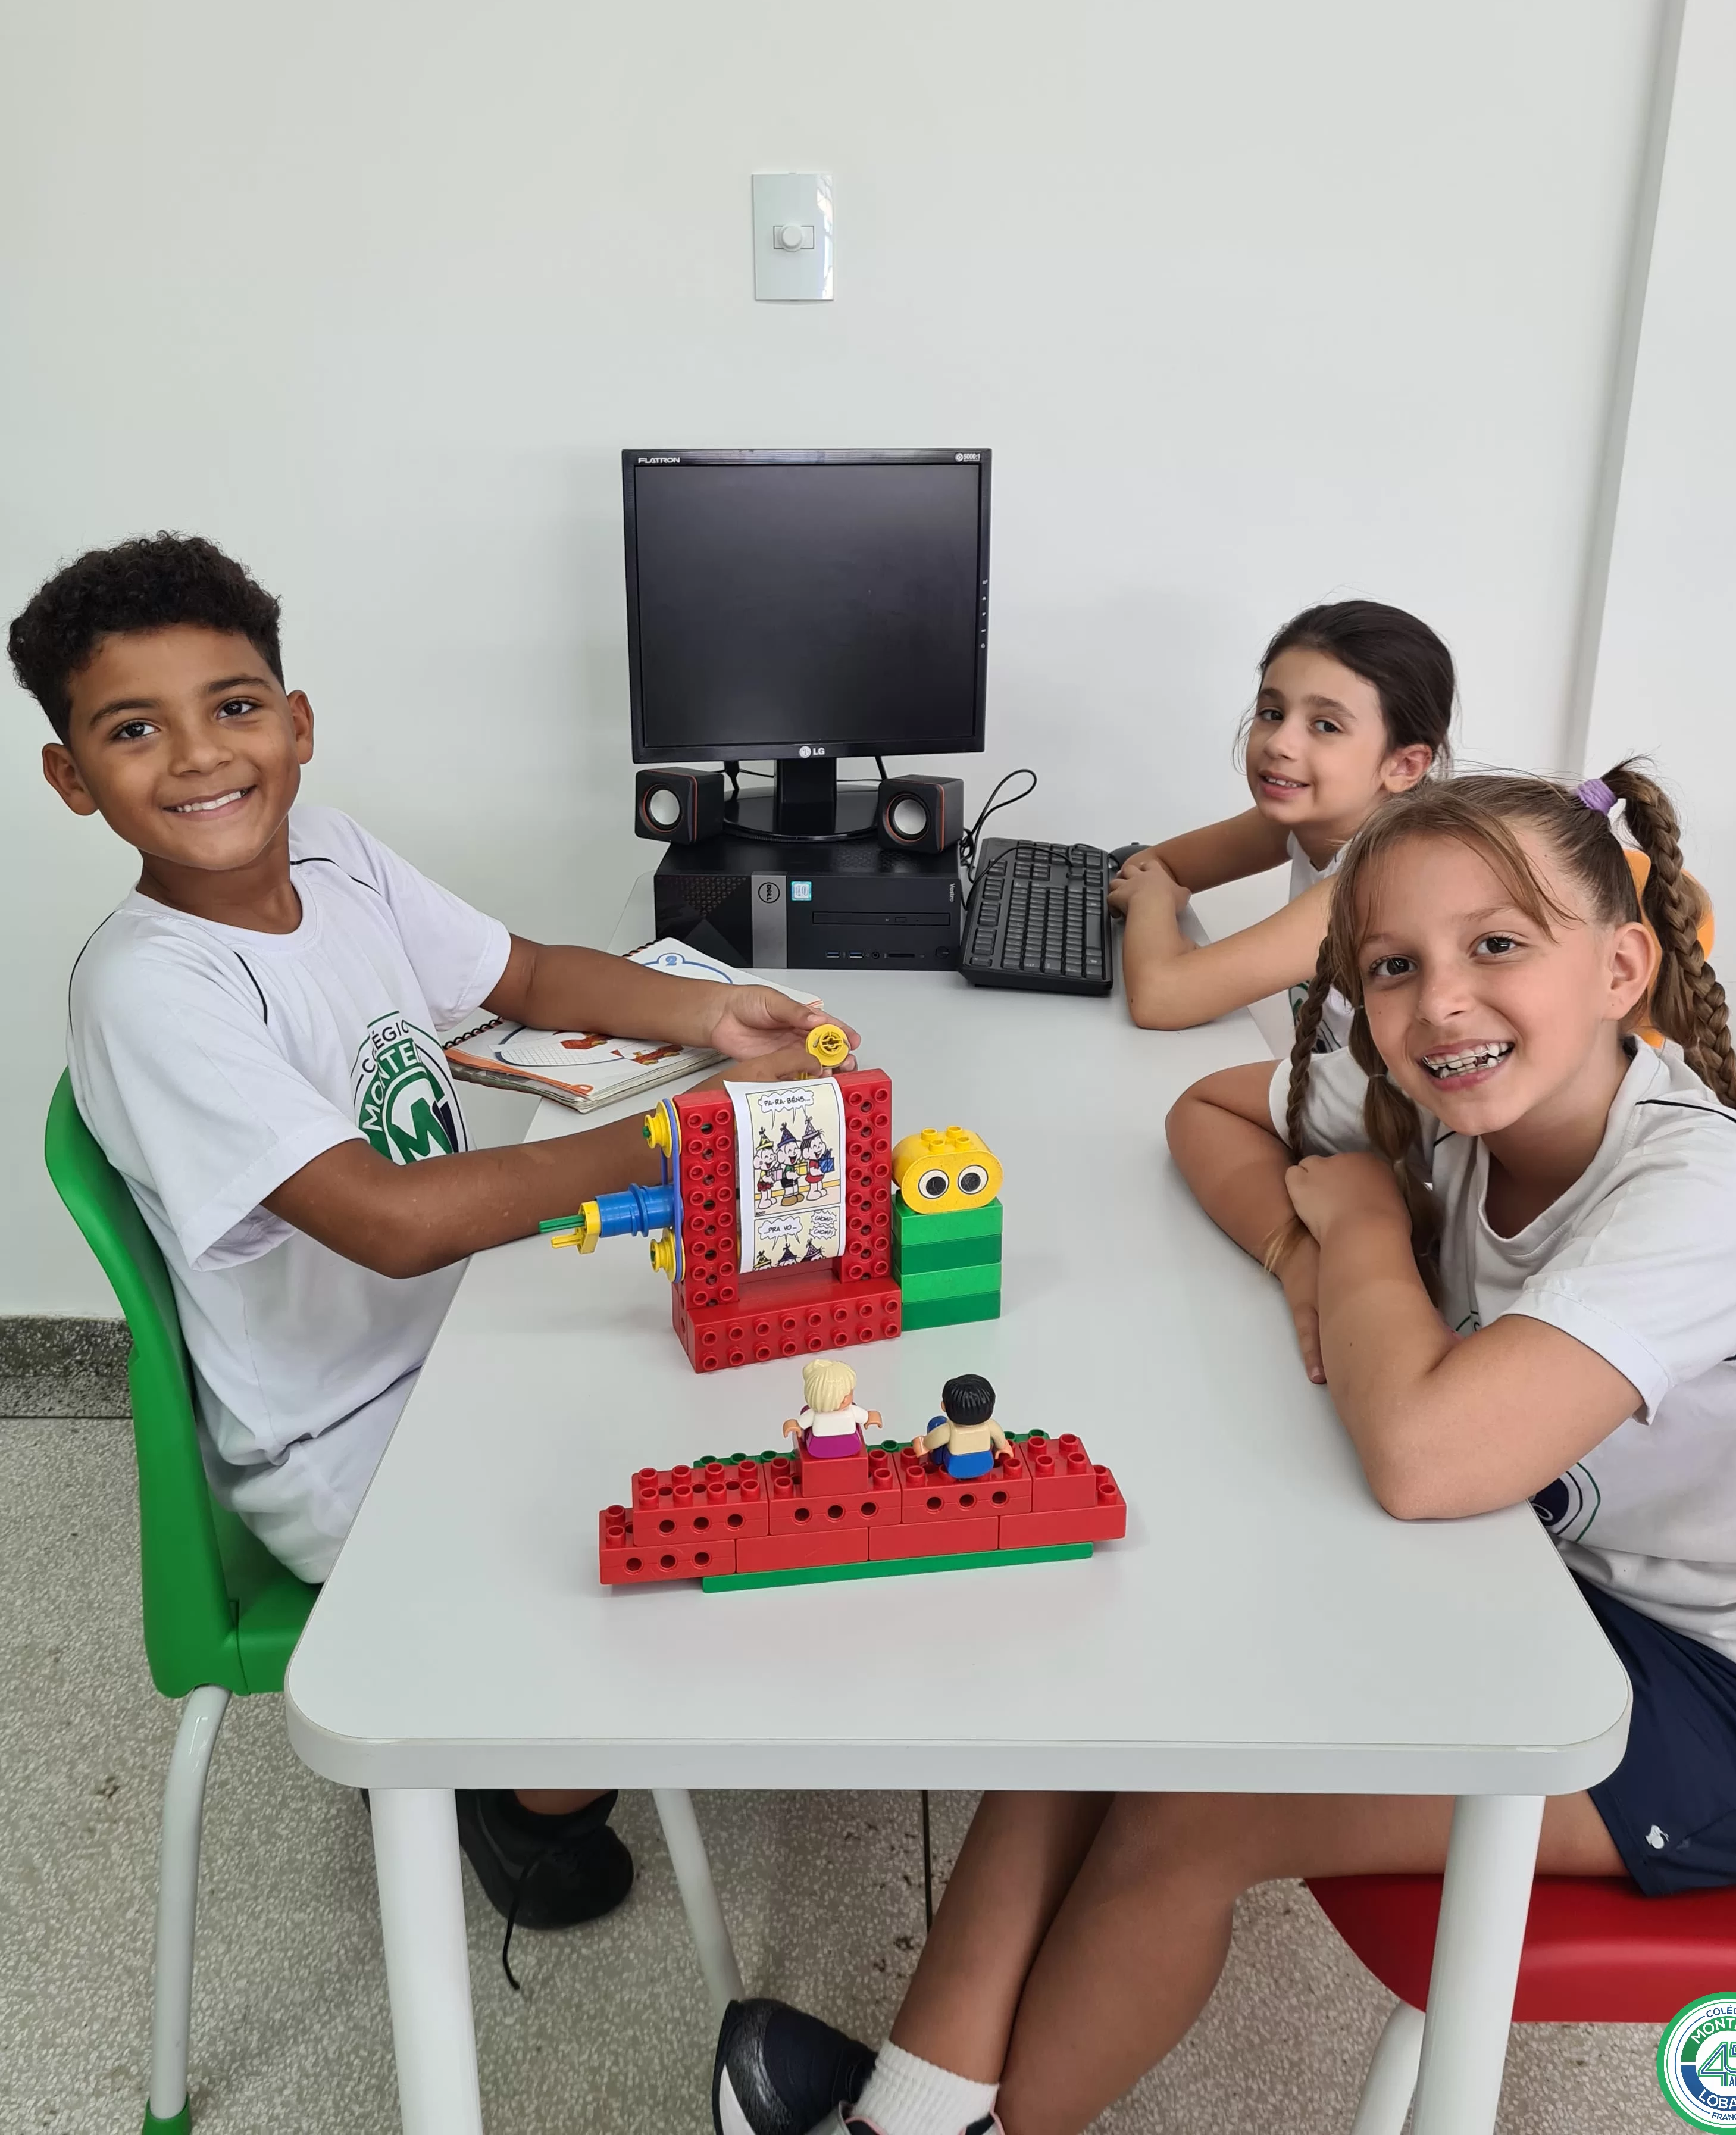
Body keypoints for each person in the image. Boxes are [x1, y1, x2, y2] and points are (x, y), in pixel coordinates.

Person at [711, 763, 1736, 2135]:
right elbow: (1206, 1113)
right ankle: (915, 2110)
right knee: (1119, 1663)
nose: (1441, 1002)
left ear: (1622, 968)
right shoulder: (1447, 1092)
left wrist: (1362, 1235)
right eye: (1395, 966)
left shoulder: (1704, 1191)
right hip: (1540, 1584)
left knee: (1198, 1807)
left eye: (1498, 946)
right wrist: (1298, 1244)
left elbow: (1427, 1460)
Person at [8, 532, 859, 1943]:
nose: (201, 756)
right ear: (70, 777)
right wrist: (684, 1133)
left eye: (233, 706)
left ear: (297, 722)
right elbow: (391, 1224)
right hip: (345, 1441)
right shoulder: (155, 991)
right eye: (133, 729)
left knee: (768, 1396)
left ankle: (511, 1711)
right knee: (670, 1557)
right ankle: (511, 1791)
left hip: (465, 1338)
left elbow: (523, 974)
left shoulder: (334, 855)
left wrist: (711, 1016)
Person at [1108, 597, 1455, 1040]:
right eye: (1272, 714)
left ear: (1404, 765)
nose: (1279, 744)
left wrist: (1153, 905)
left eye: (1326, 726)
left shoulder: (1380, 879)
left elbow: (1160, 998)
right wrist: (1160, 917)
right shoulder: (1301, 821)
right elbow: (1150, 865)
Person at [912, 1374, 1011, 1481]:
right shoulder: (991, 1425)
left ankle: (937, 1461)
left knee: (937, 1423)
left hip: (957, 1468)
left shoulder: (948, 1430)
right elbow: (1001, 1442)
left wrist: (924, 1444)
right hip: (985, 1465)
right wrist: (1002, 1448)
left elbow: (932, 1442)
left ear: (944, 1407)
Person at [784, 1356, 881, 1458]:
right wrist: (871, 1418)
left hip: (819, 1449)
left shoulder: (815, 1415)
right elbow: (867, 1417)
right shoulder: (851, 1411)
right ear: (845, 1399)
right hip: (849, 1445)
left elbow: (800, 1425)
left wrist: (795, 1426)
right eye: (850, 1392)